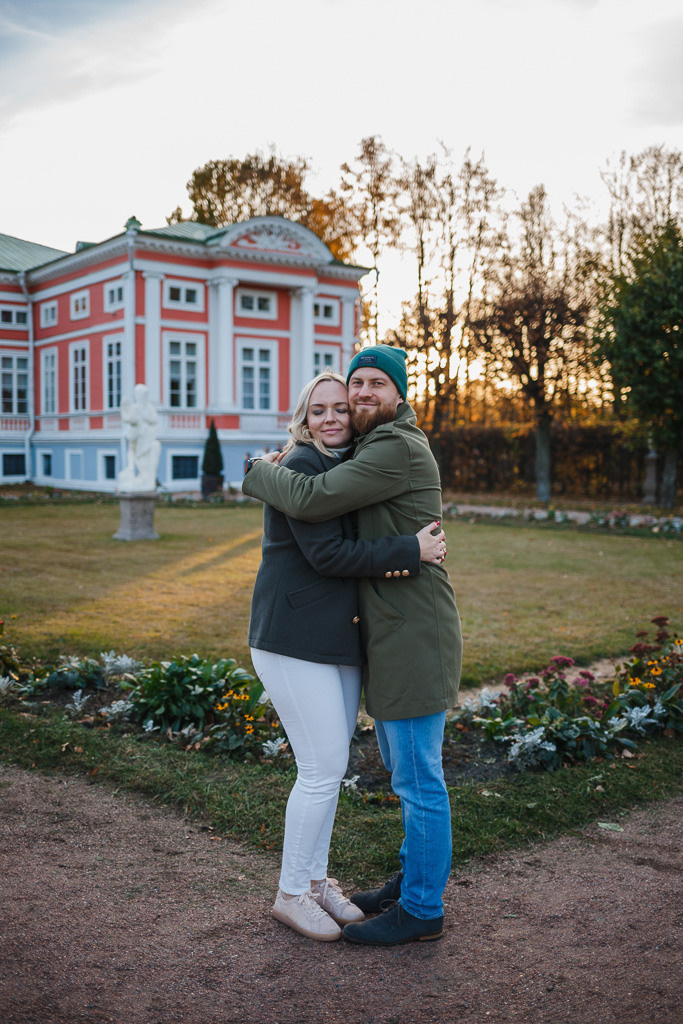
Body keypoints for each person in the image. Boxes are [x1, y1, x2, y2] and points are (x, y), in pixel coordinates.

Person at [243, 346, 462, 946]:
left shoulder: (389, 447)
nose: (355, 400)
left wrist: (257, 470)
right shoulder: (341, 454)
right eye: (349, 388)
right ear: (304, 417)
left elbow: (315, 504)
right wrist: (409, 548)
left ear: (399, 393)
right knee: (392, 773)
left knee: (417, 779)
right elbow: (323, 530)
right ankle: (375, 887)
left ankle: (420, 906)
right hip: (357, 633)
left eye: (370, 387)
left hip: (410, 632)